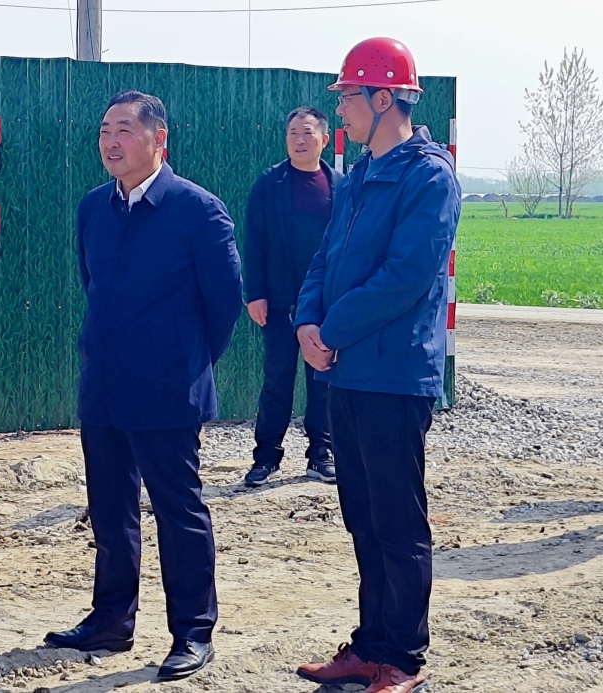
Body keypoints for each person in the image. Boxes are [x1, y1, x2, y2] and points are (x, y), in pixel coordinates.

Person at [44, 90, 242, 682]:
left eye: (125, 130)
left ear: (159, 140)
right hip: (104, 384)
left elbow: (224, 305)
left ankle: (193, 632)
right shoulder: (93, 208)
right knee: (109, 509)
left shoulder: (198, 210)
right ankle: (111, 619)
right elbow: (93, 284)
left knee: (179, 512)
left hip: (167, 389)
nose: (111, 142)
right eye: (105, 130)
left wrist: (186, 362)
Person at [292, 38, 460, 693]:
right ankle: (370, 644)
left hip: (394, 375)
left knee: (397, 521)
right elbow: (325, 259)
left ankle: (404, 658)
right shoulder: (358, 176)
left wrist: (331, 330)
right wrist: (307, 321)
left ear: (384, 98)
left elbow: (405, 277)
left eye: (348, 97)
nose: (340, 111)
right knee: (363, 516)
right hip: (347, 371)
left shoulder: (429, 177)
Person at [243, 106, 342, 487]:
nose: (300, 140)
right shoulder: (270, 184)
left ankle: (321, 454)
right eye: (293, 134)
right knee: (277, 381)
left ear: (324, 139)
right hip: (280, 302)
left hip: (326, 304)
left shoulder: (341, 187)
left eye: (307, 133)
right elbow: (254, 241)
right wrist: (256, 294)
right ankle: (266, 457)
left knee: (323, 380)